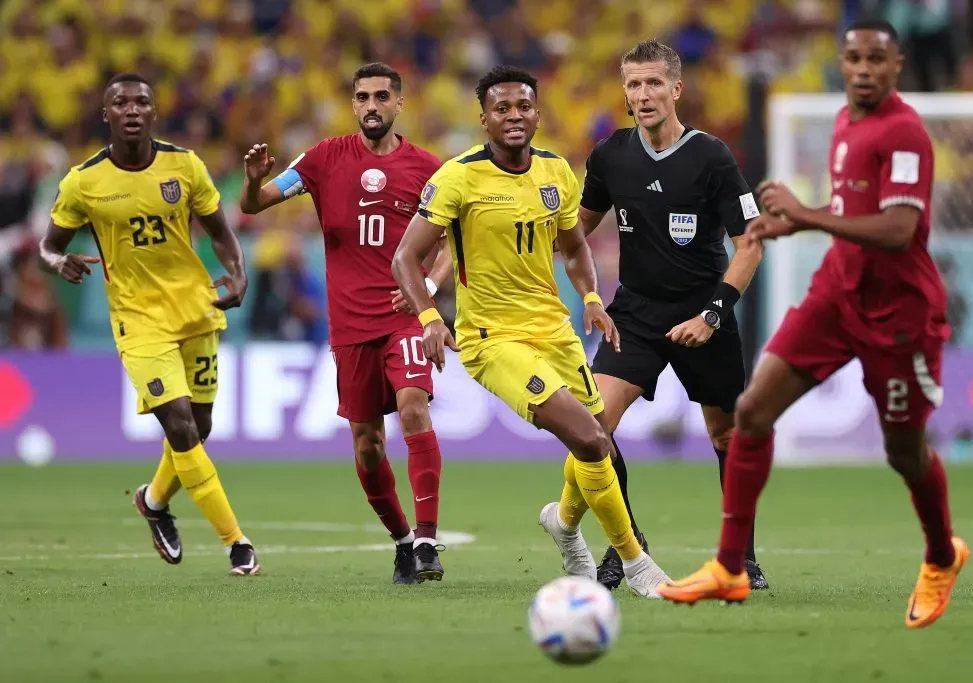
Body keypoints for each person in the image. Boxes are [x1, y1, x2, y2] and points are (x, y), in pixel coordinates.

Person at [658, 20, 968, 629]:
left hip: (899, 314)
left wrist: (805, 216)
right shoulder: (846, 122)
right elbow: (853, 211)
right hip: (835, 296)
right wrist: (794, 222)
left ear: (897, 64)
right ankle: (729, 567)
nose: (862, 69)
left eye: (875, 59)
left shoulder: (904, 133)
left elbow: (899, 229)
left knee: (904, 452)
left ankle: (940, 554)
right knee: (750, 413)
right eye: (852, 58)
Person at [392, 65, 671, 598]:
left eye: (523, 107)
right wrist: (429, 317)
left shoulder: (556, 171)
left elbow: (574, 246)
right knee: (591, 440)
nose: (514, 116)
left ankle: (563, 525)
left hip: (555, 332)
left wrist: (591, 297)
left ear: (538, 114)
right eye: (502, 109)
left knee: (598, 444)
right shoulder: (458, 177)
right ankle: (638, 565)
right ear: (484, 119)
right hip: (492, 340)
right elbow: (406, 257)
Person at [239, 62, 451, 584]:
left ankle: (427, 539)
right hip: (350, 327)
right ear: (353, 104)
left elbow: (451, 244)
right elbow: (257, 205)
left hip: (404, 316)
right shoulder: (321, 160)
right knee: (367, 444)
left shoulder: (430, 169)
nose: (372, 105)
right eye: (363, 97)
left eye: (382, 96)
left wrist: (427, 292)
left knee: (413, 407)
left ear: (400, 103)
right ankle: (402, 540)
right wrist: (252, 181)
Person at [39, 73, 259, 576]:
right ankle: (236, 542)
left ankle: (154, 500)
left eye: (141, 101)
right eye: (121, 102)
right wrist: (57, 262)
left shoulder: (184, 166)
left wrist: (239, 272)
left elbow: (221, 233)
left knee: (199, 426)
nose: (132, 109)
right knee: (180, 426)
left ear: (154, 113)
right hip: (138, 322)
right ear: (107, 115)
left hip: (196, 309)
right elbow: (48, 243)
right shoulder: (84, 181)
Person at [578, 39, 767, 591]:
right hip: (634, 312)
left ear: (676, 89)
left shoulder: (712, 156)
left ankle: (740, 557)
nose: (642, 95)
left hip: (703, 310)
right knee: (592, 430)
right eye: (633, 85)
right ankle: (625, 549)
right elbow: (572, 232)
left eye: (653, 83)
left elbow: (750, 245)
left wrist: (712, 314)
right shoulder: (611, 154)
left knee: (727, 437)